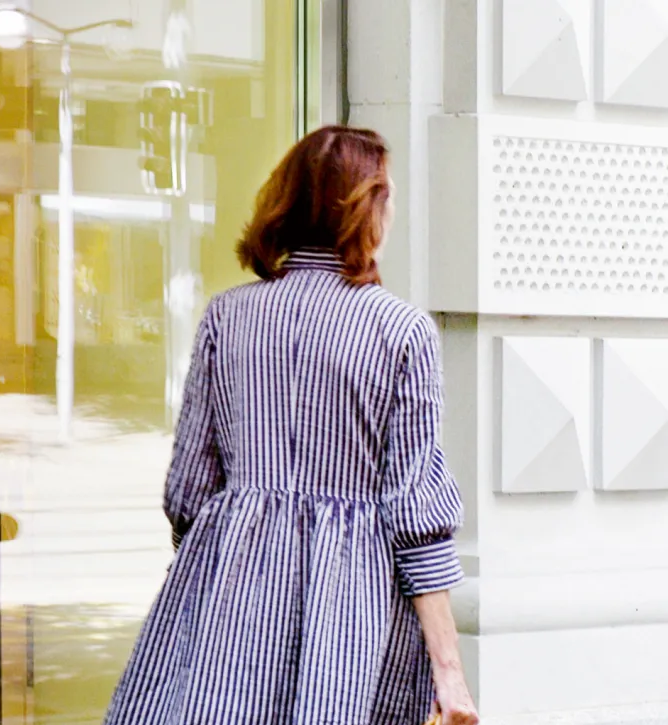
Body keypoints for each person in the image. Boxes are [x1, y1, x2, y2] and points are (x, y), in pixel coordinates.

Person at [103, 126, 478, 725]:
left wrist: (210, 575)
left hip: (231, 593)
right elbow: (415, 517)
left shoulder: (227, 317)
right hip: (350, 608)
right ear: (368, 210)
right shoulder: (401, 332)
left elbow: (188, 493)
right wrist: (449, 671)